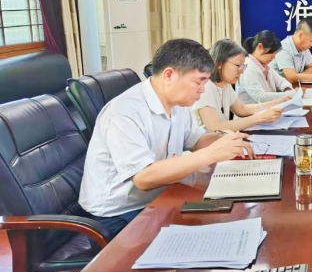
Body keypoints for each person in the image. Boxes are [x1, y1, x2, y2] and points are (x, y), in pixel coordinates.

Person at [79, 38, 254, 237]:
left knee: (235, 214)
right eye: (199, 81)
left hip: (160, 195)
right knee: (212, 234)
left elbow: (196, 140)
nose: (202, 90)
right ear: (169, 75)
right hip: (118, 213)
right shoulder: (123, 112)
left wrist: (225, 141)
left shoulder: (178, 103)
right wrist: (210, 154)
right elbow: (144, 178)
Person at [192, 38, 287, 131]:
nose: (241, 71)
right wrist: (260, 117)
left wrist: (278, 102)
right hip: (208, 140)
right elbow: (215, 127)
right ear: (219, 63)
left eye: (243, 66)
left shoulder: (225, 84)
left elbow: (242, 109)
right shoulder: (205, 86)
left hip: (222, 138)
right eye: (238, 65)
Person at [271, 18, 312, 84]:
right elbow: (291, 78)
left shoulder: (303, 47)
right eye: (311, 40)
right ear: (300, 35)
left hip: (295, 88)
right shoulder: (283, 48)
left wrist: (299, 77)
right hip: (278, 90)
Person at [238, 31, 297, 103]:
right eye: (272, 52)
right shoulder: (248, 67)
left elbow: (280, 81)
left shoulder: (264, 65)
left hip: (267, 108)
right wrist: (290, 94)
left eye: (275, 53)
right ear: (260, 47)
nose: (274, 56)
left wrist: (288, 89)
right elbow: (261, 97)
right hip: (253, 109)